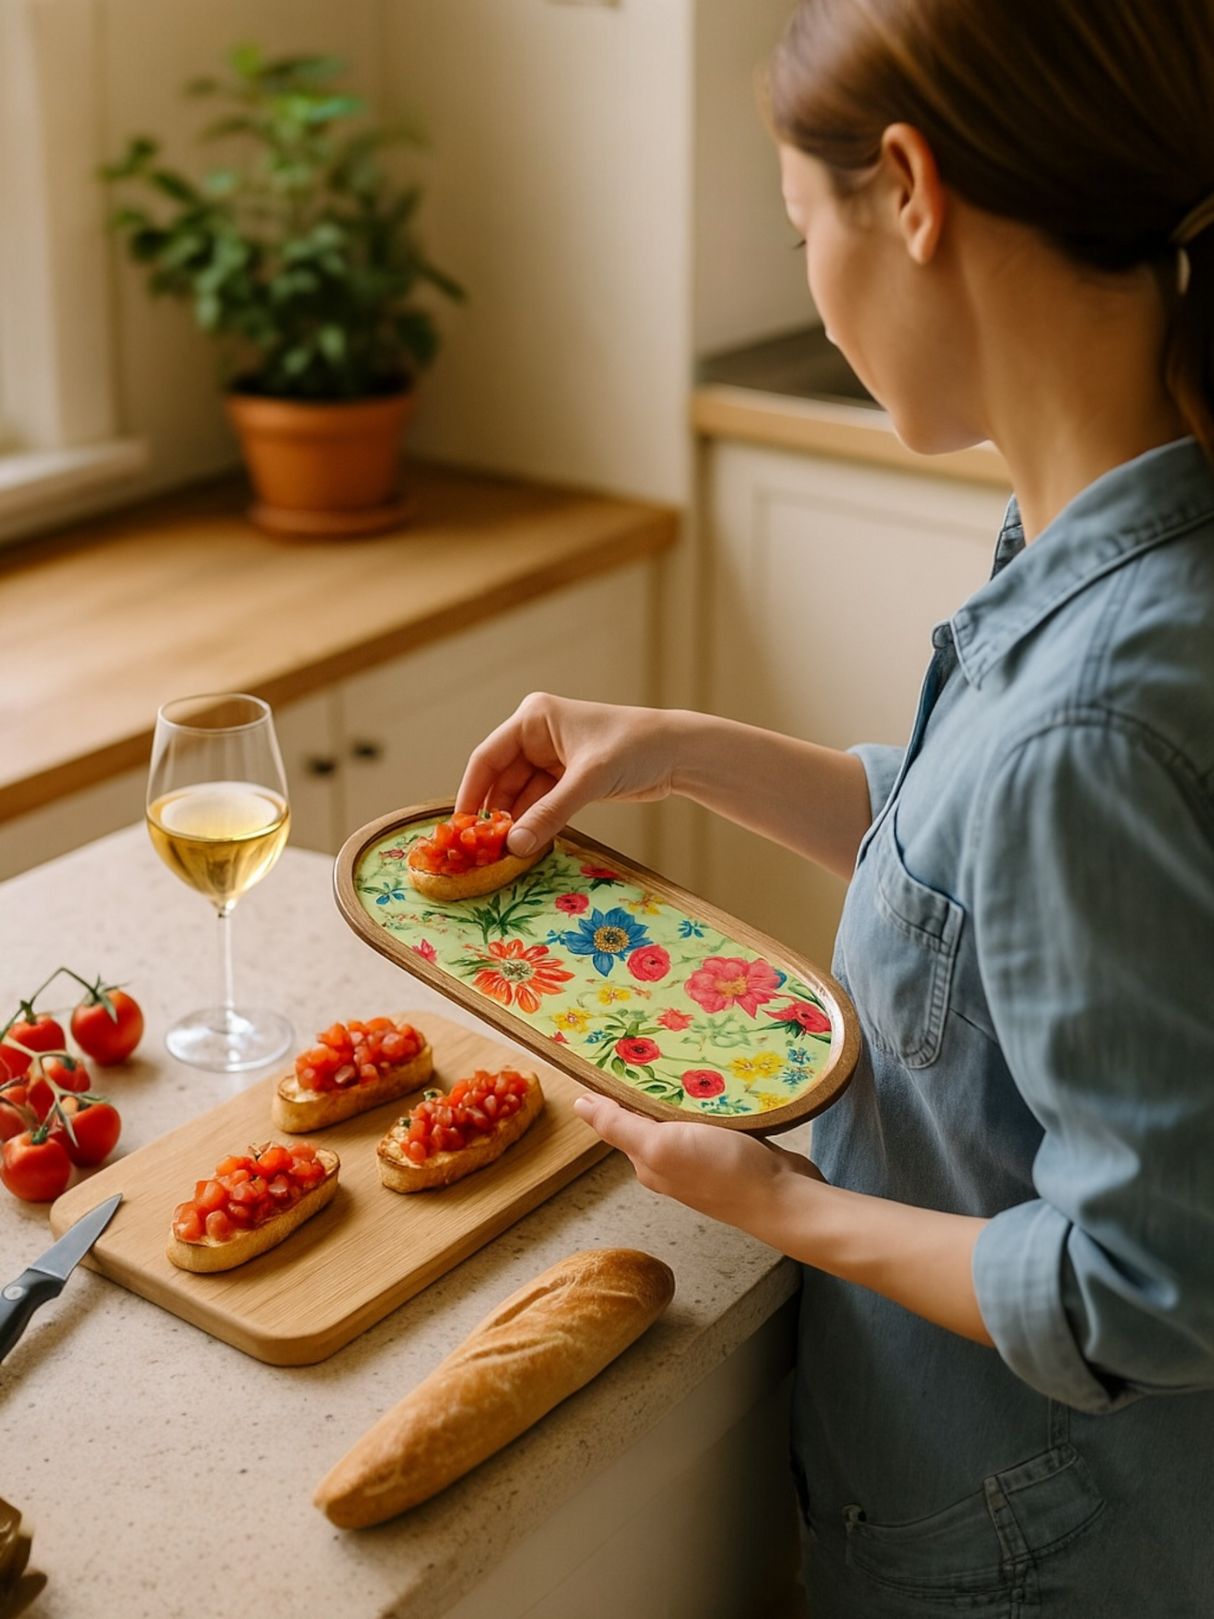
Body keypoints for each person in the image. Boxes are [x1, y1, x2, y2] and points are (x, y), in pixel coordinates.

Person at [455, 1, 1214, 1611]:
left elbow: (1146, 1289)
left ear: (909, 191)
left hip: (1035, 1547)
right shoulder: (1113, 538)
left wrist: (782, 1202)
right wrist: (681, 749)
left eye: (801, 228)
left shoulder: (1093, 716)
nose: (810, 275)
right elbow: (985, 895)